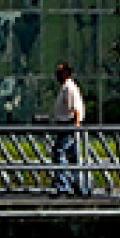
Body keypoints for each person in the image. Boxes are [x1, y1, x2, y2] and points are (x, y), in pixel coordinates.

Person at [48, 62, 87, 195]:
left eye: (59, 72)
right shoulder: (66, 87)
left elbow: (75, 110)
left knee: (58, 153)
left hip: (68, 125)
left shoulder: (69, 88)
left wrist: (75, 127)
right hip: (67, 124)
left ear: (65, 73)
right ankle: (78, 186)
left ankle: (63, 186)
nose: (56, 75)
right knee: (73, 156)